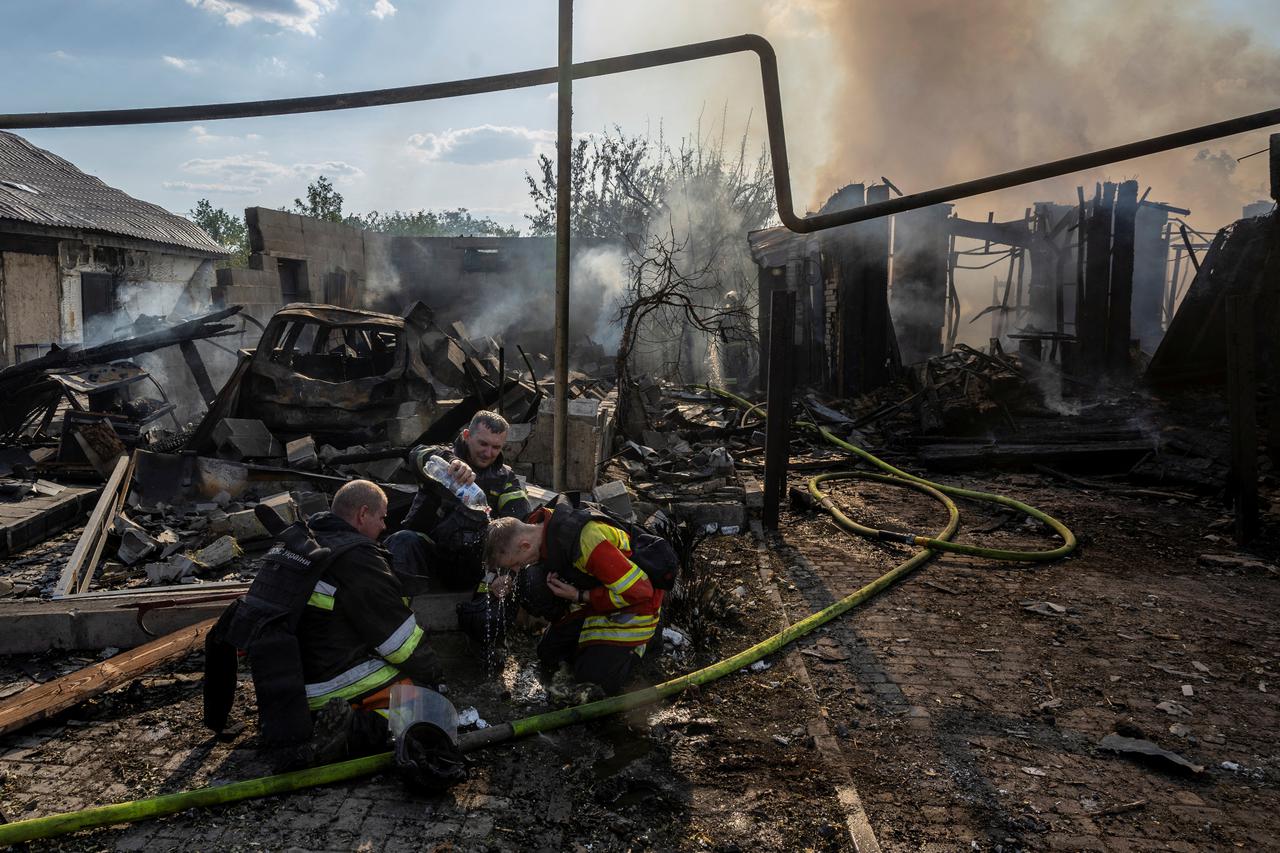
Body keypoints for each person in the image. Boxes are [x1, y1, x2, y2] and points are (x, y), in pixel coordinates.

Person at [299, 480, 445, 757]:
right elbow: (401, 644)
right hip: (323, 687)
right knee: (425, 702)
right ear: (363, 514)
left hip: (288, 686)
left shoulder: (306, 542)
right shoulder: (358, 559)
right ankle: (351, 731)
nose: (384, 526)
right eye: (381, 517)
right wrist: (435, 674)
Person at [483, 494, 663, 698]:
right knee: (548, 654)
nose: (517, 569)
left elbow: (640, 591)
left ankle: (644, 643)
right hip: (599, 596)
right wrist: (506, 578)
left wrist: (581, 595)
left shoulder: (587, 541)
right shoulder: (537, 525)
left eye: (515, 565)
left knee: (594, 681)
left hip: (637, 606)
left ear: (525, 546)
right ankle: (593, 645)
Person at [386, 410, 531, 592]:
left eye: (496, 447)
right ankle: (398, 605)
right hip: (431, 554)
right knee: (403, 540)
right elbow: (416, 454)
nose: (488, 453)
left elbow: (520, 523)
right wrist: (451, 462)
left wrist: (507, 574)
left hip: (473, 565)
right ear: (467, 436)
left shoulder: (506, 478)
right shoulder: (444, 459)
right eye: (483, 444)